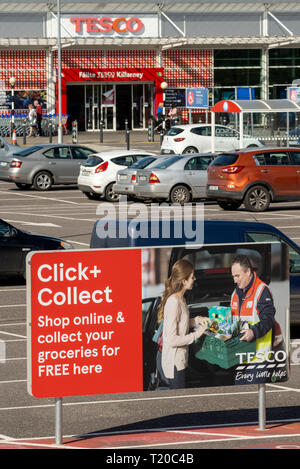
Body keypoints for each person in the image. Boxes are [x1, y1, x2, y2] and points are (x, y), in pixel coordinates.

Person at [157, 259, 209, 389]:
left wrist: (197, 320)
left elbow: (182, 324)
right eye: (192, 277)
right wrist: (197, 334)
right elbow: (172, 339)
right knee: (178, 403)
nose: (195, 279)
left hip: (180, 361)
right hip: (174, 363)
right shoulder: (174, 302)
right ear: (184, 281)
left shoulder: (181, 299)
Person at [230, 254, 280, 348]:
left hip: (259, 355)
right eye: (233, 276)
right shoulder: (234, 294)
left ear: (248, 271)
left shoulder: (261, 290)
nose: (235, 280)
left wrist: (253, 332)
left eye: (237, 276)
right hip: (240, 353)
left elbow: (268, 319)